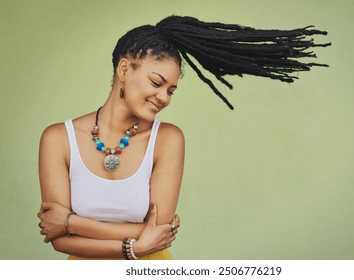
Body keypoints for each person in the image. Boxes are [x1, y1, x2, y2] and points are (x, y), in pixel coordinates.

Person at [37, 15, 330, 260]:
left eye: (171, 90)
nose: (163, 97)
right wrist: (135, 244)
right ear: (124, 69)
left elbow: (159, 232)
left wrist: (71, 222)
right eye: (156, 83)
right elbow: (60, 240)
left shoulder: (168, 139)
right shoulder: (57, 139)